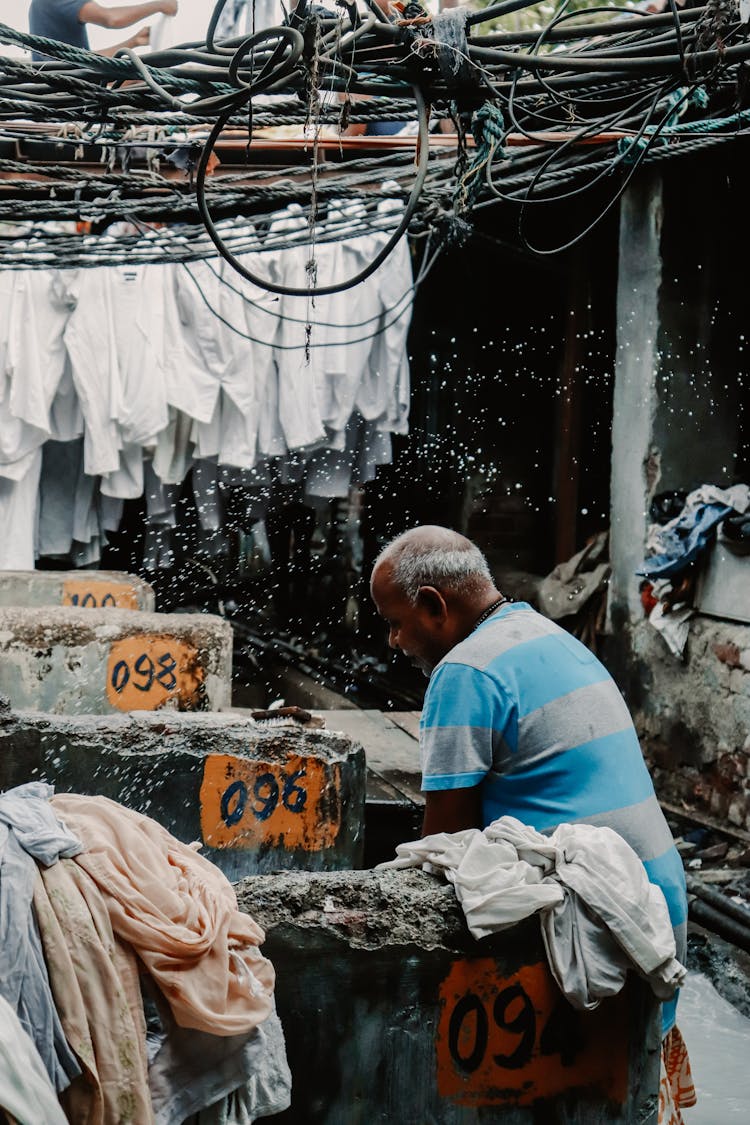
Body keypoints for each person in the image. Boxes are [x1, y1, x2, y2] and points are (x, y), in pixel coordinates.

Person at [369, 527, 689, 1031]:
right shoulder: (545, 634)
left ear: (434, 606)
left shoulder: (465, 671)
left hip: (604, 926)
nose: (394, 642)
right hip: (656, 904)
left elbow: (442, 843)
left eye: (395, 623)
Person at [28, 1, 179, 58]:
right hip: (69, 99)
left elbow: (85, 60)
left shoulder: (40, 6)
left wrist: (134, 41)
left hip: (63, 97)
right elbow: (112, 18)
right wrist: (160, 5)